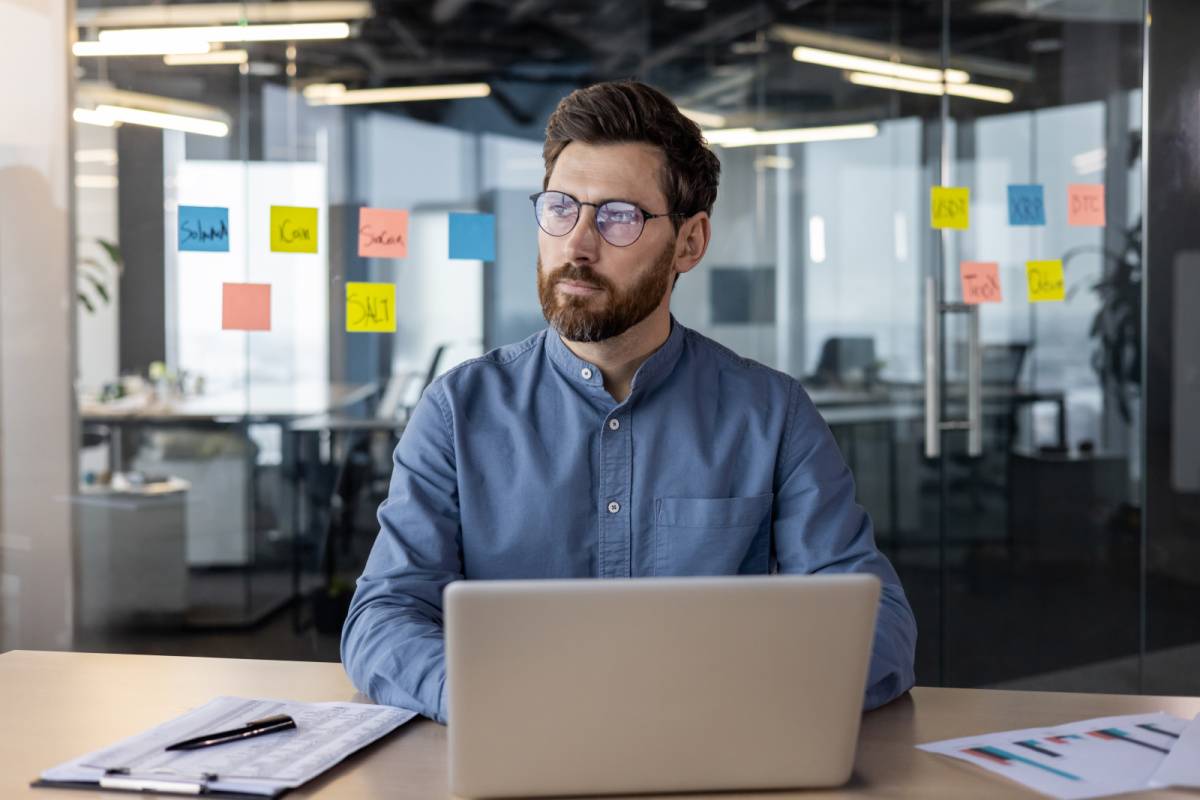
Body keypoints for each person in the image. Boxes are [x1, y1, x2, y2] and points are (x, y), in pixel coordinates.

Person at [342, 80, 917, 723]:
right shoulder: (457, 412)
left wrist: (727, 696)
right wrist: (487, 700)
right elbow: (383, 617)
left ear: (690, 244)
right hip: (518, 748)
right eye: (561, 208)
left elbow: (879, 624)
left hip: (714, 751)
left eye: (619, 216)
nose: (578, 245)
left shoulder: (771, 415)